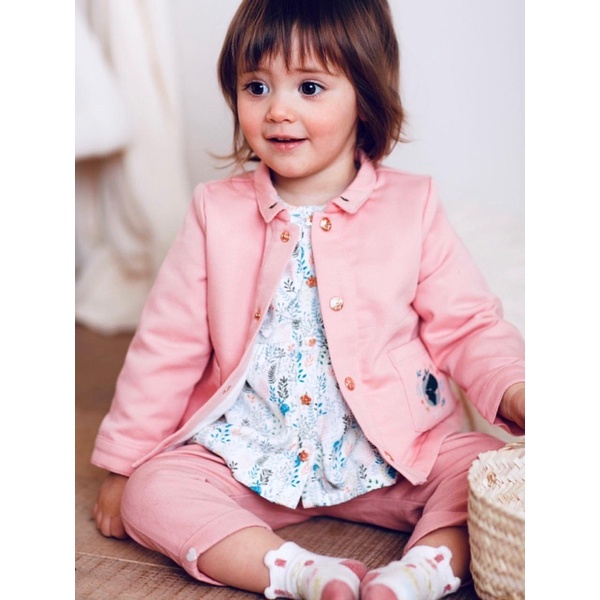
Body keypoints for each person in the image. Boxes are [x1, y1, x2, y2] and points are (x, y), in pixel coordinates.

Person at [91, 1, 525, 599]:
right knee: (153, 490)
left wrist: (514, 386)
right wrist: (124, 463)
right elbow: (167, 346)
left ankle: (419, 574)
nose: (277, 110)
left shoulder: (412, 207)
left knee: (483, 471)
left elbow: (468, 324)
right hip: (252, 451)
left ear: (364, 98)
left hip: (393, 452)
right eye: (257, 86)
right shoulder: (216, 212)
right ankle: (300, 573)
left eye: (310, 87)